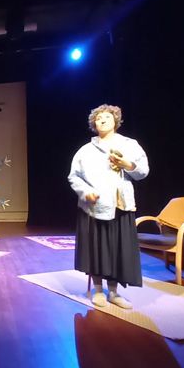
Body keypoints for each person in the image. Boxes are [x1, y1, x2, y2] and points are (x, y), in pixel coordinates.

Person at [68, 104, 149, 309]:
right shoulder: (85, 150)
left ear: (116, 121)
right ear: (94, 124)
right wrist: (85, 192)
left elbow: (143, 172)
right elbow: (74, 176)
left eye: (107, 117)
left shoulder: (130, 145)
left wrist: (127, 165)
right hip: (95, 207)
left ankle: (113, 292)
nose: (102, 120)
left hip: (120, 205)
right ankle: (97, 291)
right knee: (97, 249)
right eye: (98, 118)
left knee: (116, 249)